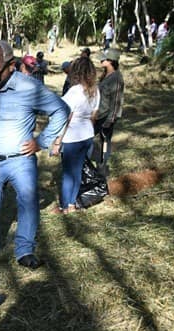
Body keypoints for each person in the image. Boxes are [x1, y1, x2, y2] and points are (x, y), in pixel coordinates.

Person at [0, 40, 70, 269]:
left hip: (20, 161)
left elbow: (61, 110)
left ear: (11, 65)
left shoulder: (29, 87)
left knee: (28, 202)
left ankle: (24, 250)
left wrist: (42, 141)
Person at [50, 57, 100, 214]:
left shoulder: (74, 91)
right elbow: (94, 116)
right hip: (87, 135)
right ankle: (72, 203)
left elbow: (65, 117)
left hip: (72, 138)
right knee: (77, 172)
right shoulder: (95, 91)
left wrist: (57, 141)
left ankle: (65, 207)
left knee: (67, 174)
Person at [94, 48, 124, 175]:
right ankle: (98, 164)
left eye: (104, 59)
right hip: (98, 115)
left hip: (106, 117)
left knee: (105, 142)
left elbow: (117, 102)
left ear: (111, 61)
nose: (101, 60)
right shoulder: (105, 75)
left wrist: (110, 121)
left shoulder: (116, 78)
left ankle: (102, 167)